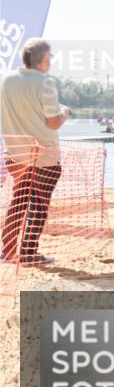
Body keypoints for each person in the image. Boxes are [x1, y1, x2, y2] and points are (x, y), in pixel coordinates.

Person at [1, 39, 71, 265]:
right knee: (39, 205)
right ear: (45, 58)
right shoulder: (45, 82)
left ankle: (7, 250)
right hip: (44, 155)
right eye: (50, 57)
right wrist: (65, 112)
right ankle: (29, 253)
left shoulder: (5, 80)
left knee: (19, 200)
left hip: (16, 153)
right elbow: (53, 123)